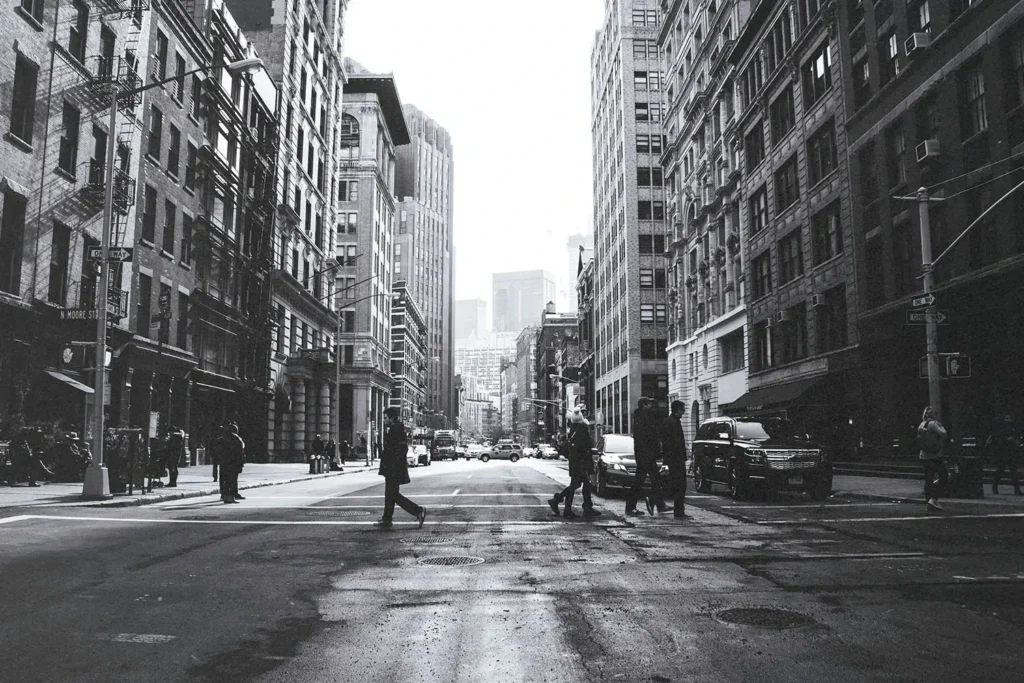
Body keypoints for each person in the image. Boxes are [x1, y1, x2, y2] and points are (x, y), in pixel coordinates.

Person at [375, 407, 426, 529]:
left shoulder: (395, 430)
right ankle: (387, 520)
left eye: (386, 418)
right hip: (392, 468)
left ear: (392, 418)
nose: (384, 420)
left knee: (392, 495)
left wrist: (392, 467)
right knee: (390, 495)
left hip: (393, 469)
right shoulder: (396, 429)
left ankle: (418, 511)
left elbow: (399, 450)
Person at [548, 406, 601, 519]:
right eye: (584, 413)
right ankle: (560, 503)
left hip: (577, 462)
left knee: (585, 485)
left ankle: (586, 508)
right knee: (576, 485)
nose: (586, 415)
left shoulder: (574, 427)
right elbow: (584, 447)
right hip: (581, 462)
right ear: (581, 416)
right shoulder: (581, 428)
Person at [625, 397, 670, 517]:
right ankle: (632, 507)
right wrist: (651, 453)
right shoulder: (643, 418)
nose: (651, 405)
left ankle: (658, 503)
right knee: (640, 481)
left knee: (655, 480)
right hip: (645, 455)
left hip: (647, 455)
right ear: (644, 405)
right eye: (649, 403)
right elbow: (645, 439)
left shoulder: (645, 417)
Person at [659, 400, 688, 518]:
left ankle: (678, 510)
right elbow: (676, 443)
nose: (684, 412)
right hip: (676, 459)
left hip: (673, 459)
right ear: (677, 410)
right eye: (682, 410)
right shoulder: (673, 423)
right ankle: (679, 511)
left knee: (673, 484)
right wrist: (680, 457)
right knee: (680, 485)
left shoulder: (668, 422)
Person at [918, 406, 948, 511]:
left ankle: (929, 502)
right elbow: (944, 434)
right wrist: (939, 425)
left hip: (924, 456)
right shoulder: (934, 424)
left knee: (928, 479)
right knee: (944, 476)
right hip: (935, 456)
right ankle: (934, 499)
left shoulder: (921, 425)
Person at [987, 414, 1021, 495]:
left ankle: (1017, 489)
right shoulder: (1001, 429)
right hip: (1003, 453)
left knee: (1014, 471)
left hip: (1011, 452)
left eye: (1009, 418)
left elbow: (1017, 436)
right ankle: (995, 486)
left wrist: (1016, 440)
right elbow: (998, 439)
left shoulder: (1013, 428)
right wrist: (1007, 440)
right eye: (1006, 418)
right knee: (1000, 471)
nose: (1008, 420)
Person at [219, 423, 246, 503]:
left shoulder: (223, 438)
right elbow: (240, 452)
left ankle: (225, 496)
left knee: (225, 479)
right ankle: (231, 497)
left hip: (224, 461)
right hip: (233, 462)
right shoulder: (236, 439)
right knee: (232, 480)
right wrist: (241, 462)